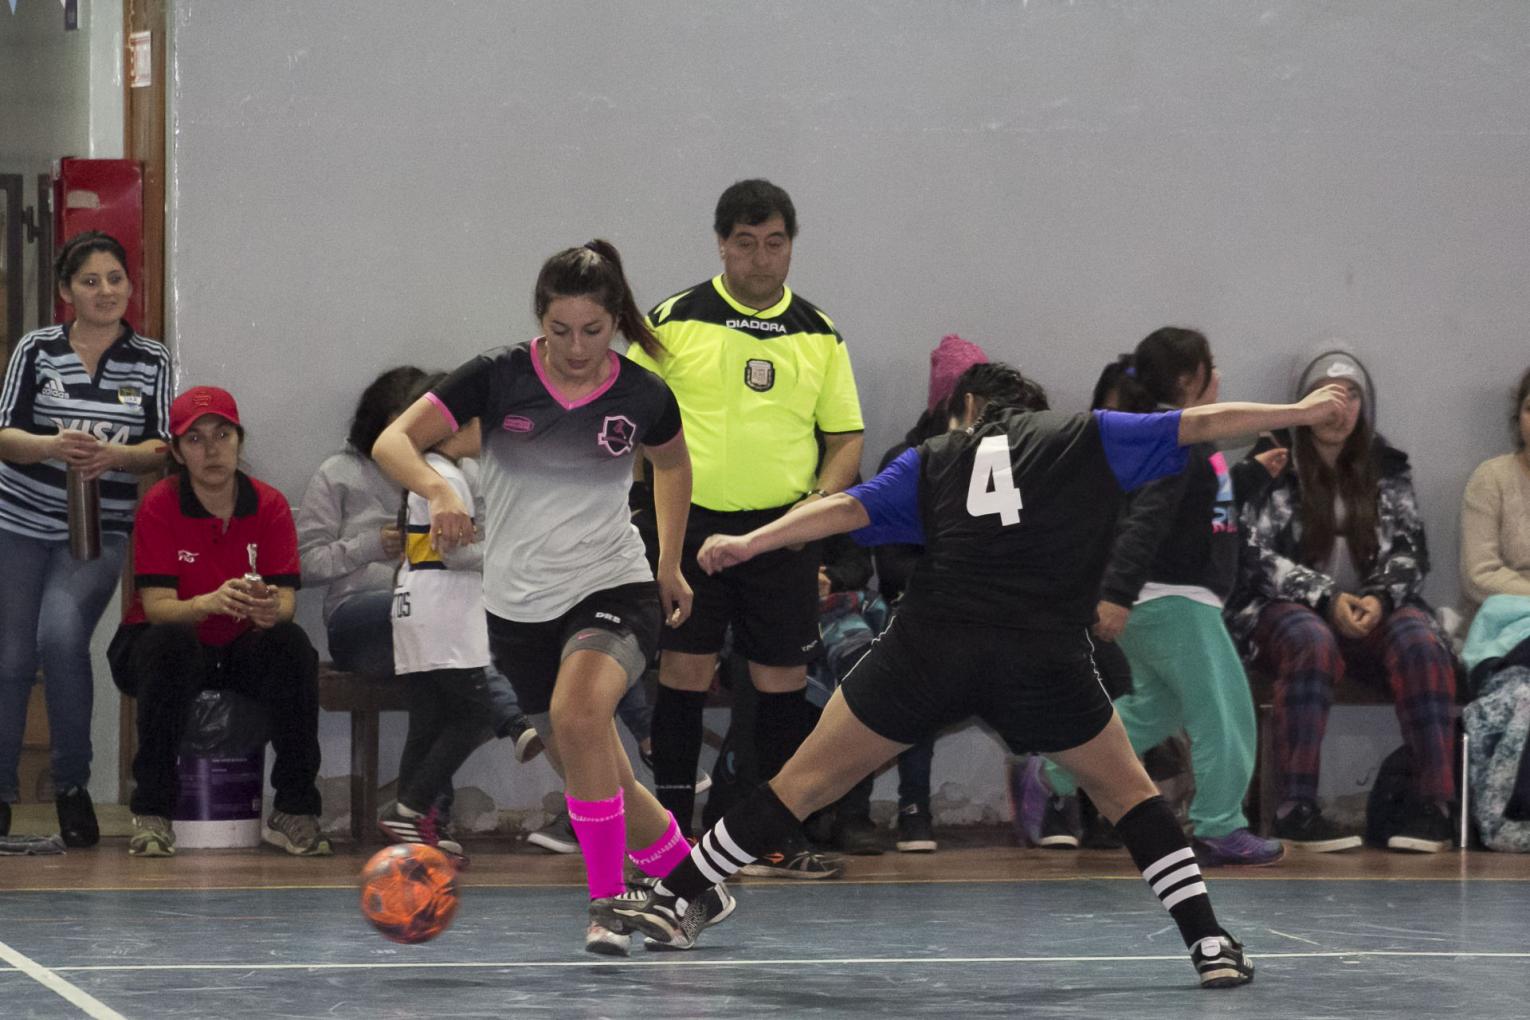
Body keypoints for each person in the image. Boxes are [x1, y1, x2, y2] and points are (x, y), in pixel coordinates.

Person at [594, 361, 1352, 989]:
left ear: (968, 411)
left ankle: (674, 895)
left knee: (801, 784)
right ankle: (1210, 944)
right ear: (1036, 412)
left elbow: (840, 511)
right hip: (1042, 656)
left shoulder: (935, 458)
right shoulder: (1086, 437)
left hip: (930, 648)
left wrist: (748, 542)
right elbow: (1198, 424)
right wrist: (1301, 407)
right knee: (1129, 797)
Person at [372, 240, 731, 956]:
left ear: (616, 324)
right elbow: (392, 442)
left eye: (592, 331)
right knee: (595, 769)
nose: (575, 346)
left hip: (612, 583)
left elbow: (673, 467)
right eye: (560, 329)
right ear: (540, 319)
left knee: (578, 712)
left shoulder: (642, 394)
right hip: (518, 607)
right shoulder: (498, 377)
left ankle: (606, 904)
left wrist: (668, 562)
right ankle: (694, 886)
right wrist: (440, 488)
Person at [628, 179, 863, 878]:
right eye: (745, 244)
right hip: (688, 526)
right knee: (684, 671)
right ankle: (671, 838)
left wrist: (814, 511)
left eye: (775, 243)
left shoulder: (818, 334)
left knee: (783, 678)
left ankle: (770, 835)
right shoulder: (671, 321)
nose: (761, 259)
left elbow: (845, 437)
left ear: (791, 245)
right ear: (722, 245)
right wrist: (652, 508)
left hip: (782, 531)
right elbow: (628, 420)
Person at [1021, 328, 1283, 867]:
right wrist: (1115, 593)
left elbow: (1197, 514)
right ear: (1191, 379)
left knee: (1152, 711)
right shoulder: (1176, 440)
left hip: (1161, 602)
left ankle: (1052, 771)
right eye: (1214, 365)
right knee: (1226, 711)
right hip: (1171, 603)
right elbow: (1145, 520)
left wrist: (1250, 477)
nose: (1221, 374)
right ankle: (1218, 825)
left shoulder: (1186, 443)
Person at [1226, 347, 1457, 854]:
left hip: (1373, 610)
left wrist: (1377, 597)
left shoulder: (1387, 466)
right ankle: (1296, 808)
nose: (1340, 407)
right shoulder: (1270, 460)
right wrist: (1326, 598)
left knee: (1421, 643)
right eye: (1327, 394)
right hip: (1285, 611)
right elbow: (1251, 555)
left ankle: (1432, 805)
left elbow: (1411, 551)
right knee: (1310, 640)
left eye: (1352, 395)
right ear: (1303, 404)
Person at [0, 231, 173, 846]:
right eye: (90, 281)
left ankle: (72, 787)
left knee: (62, 634)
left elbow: (161, 447)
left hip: (99, 530)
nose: (105, 291)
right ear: (67, 291)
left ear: (130, 285)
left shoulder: (153, 359)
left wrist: (115, 457)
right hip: (17, 521)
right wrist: (50, 446)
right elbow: (4, 434)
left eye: (115, 279)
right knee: (12, 657)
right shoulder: (37, 348)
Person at [106, 386, 330, 858]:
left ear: (239, 441)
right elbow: (157, 604)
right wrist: (207, 602)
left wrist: (270, 608)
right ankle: (153, 811)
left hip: (238, 645)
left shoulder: (267, 505)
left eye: (222, 434)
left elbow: (286, 597)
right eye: (196, 439)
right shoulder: (161, 505)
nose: (211, 449)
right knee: (171, 644)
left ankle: (294, 809)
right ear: (176, 452)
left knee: (291, 644)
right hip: (158, 641)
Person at [297, 367, 536, 750]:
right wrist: (369, 546)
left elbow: (497, 542)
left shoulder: (464, 472)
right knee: (444, 634)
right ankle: (510, 717)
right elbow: (302, 564)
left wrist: (462, 546)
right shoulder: (339, 472)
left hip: (443, 616)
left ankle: (421, 804)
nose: (413, 438)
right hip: (362, 618)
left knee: (448, 669)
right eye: (401, 428)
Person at [372, 373, 496, 865]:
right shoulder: (450, 477)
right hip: (445, 606)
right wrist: (509, 554)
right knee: (476, 712)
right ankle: (413, 804)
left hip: (414, 602)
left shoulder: (424, 470)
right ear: (458, 424)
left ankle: (414, 821)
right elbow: (457, 554)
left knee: (428, 717)